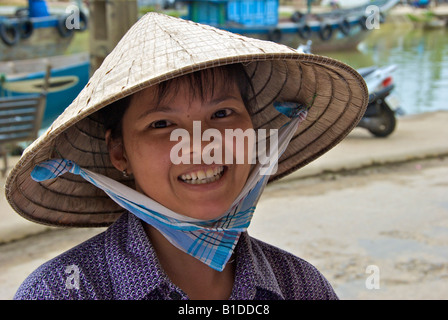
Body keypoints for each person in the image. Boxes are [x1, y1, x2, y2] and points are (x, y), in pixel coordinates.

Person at [5, 13, 368, 300]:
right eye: (162, 123)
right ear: (119, 152)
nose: (200, 145)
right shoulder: (63, 293)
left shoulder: (301, 288)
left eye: (222, 114)